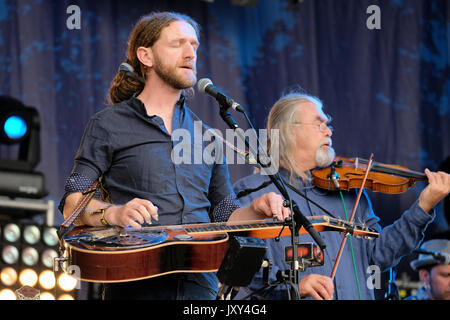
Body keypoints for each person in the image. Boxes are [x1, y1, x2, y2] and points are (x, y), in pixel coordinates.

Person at [58, 11, 289, 300]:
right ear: (146, 56)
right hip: (134, 284)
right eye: (178, 43)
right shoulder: (107, 125)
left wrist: (257, 208)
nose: (190, 53)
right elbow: (72, 206)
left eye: (194, 45)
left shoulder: (208, 137)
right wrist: (115, 213)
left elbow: (224, 214)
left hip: (200, 289)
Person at [232, 90, 450, 300]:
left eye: (328, 125)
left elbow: (379, 254)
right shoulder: (252, 193)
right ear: (291, 131)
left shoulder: (347, 190)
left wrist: (423, 206)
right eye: (319, 124)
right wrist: (294, 288)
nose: (329, 131)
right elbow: (242, 275)